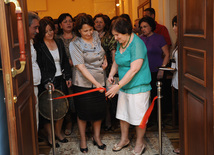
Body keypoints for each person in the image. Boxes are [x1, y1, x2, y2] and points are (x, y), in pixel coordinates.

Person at [106, 17, 151, 155]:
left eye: (117, 35)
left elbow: (134, 70)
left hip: (138, 87)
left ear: (126, 31)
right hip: (124, 86)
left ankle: (140, 143)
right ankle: (124, 139)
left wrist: (117, 86)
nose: (115, 38)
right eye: (114, 35)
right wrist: (111, 74)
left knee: (138, 118)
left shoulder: (137, 44)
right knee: (123, 115)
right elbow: (117, 60)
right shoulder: (122, 42)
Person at [69, 14, 107, 153]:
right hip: (83, 82)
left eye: (90, 29)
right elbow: (81, 66)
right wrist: (96, 84)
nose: (89, 33)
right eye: (85, 31)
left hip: (100, 79)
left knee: (98, 111)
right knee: (83, 113)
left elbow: (101, 51)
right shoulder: (75, 44)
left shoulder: (96, 35)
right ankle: (83, 139)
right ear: (79, 30)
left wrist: (105, 59)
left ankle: (96, 137)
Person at [34, 18, 72, 148]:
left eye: (51, 30)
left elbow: (65, 61)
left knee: (62, 108)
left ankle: (58, 132)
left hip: (61, 78)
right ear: (41, 33)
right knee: (47, 110)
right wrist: (46, 82)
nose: (49, 33)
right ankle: (50, 136)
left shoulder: (59, 42)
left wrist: (68, 77)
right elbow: (39, 66)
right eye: (46, 31)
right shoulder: (38, 46)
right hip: (48, 82)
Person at [57, 13, 76, 136]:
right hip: (64, 73)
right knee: (68, 98)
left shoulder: (78, 36)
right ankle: (69, 122)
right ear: (60, 25)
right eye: (65, 21)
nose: (68, 23)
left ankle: (83, 122)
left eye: (70, 21)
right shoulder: (56, 39)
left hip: (79, 71)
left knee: (80, 97)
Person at [28, 11, 41, 130]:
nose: (37, 31)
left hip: (34, 85)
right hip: (29, 88)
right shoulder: (19, 45)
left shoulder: (30, 41)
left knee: (35, 120)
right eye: (35, 27)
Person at [171, 15, 180, 155]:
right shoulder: (178, 41)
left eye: (176, 24)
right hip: (176, 80)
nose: (173, 28)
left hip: (184, 82)